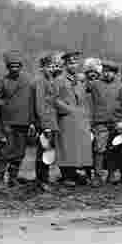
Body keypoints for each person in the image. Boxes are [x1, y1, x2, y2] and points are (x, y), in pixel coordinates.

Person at [0, 50, 34, 187]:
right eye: (12, 66)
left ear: (21, 66)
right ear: (8, 67)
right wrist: (1, 124)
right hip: (8, 122)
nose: (15, 69)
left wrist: (31, 122)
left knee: (19, 152)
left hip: (24, 122)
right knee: (5, 151)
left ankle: (13, 178)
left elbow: (31, 102)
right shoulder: (2, 82)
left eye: (17, 66)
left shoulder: (28, 81)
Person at [55, 51, 93, 185]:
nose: (73, 65)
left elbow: (85, 98)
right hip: (66, 118)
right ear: (65, 65)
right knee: (66, 145)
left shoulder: (81, 81)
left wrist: (84, 113)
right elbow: (54, 99)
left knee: (80, 146)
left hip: (80, 118)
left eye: (76, 63)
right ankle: (67, 175)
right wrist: (68, 110)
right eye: (70, 63)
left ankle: (78, 172)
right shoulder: (59, 80)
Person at [88, 60, 122, 185]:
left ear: (115, 74)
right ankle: (97, 176)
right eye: (105, 72)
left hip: (115, 123)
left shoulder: (120, 87)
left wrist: (121, 121)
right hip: (100, 122)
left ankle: (112, 174)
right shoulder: (95, 85)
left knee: (113, 148)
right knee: (99, 149)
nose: (107, 74)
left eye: (110, 72)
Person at [33, 52, 59, 190]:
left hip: (53, 121)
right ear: (42, 68)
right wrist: (45, 125)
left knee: (49, 152)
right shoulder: (40, 82)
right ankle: (41, 180)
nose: (51, 69)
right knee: (43, 150)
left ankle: (45, 178)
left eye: (53, 67)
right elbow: (39, 104)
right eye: (49, 67)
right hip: (45, 122)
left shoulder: (53, 81)